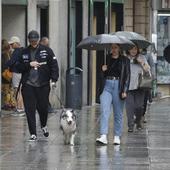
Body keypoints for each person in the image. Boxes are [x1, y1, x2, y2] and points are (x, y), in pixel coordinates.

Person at [16, 30, 59, 141]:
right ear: (28, 40)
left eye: (35, 41)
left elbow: (54, 65)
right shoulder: (23, 52)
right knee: (29, 109)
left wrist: (54, 79)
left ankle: (43, 125)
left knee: (43, 108)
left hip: (43, 84)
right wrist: (28, 64)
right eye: (31, 41)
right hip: (28, 85)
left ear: (38, 40)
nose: (33, 43)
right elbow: (18, 67)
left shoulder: (47, 51)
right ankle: (33, 134)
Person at [96, 44, 130, 145]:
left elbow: (127, 76)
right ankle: (103, 135)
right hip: (106, 85)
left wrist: (125, 90)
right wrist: (102, 70)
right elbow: (100, 74)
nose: (113, 50)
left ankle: (117, 136)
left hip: (119, 86)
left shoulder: (125, 60)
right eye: (112, 47)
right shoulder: (106, 58)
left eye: (115, 47)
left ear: (119, 48)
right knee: (104, 110)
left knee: (118, 112)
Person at [126, 45, 151, 132]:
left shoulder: (142, 57)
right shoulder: (125, 58)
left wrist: (142, 63)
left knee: (139, 106)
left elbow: (148, 70)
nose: (133, 50)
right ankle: (130, 125)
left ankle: (138, 120)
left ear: (138, 49)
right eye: (131, 49)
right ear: (128, 50)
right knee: (130, 107)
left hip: (140, 86)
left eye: (135, 49)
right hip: (128, 86)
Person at [6, 36, 24, 114]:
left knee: (17, 90)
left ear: (16, 43)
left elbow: (11, 62)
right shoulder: (24, 50)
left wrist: (4, 64)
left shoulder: (16, 51)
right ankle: (22, 108)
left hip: (16, 73)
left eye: (12, 44)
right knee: (21, 91)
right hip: (23, 73)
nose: (11, 46)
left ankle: (19, 108)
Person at [39, 36, 53, 113]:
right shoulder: (38, 50)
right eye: (47, 43)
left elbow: (52, 64)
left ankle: (47, 107)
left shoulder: (48, 51)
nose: (48, 45)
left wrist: (53, 77)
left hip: (46, 77)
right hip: (39, 77)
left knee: (45, 93)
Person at [1, 39, 16, 110]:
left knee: (6, 90)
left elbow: (3, 65)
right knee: (10, 89)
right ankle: (12, 103)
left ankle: (7, 104)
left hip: (5, 74)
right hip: (10, 74)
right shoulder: (10, 53)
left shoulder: (3, 54)